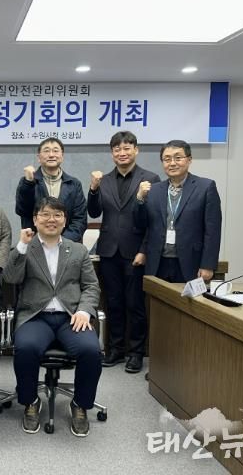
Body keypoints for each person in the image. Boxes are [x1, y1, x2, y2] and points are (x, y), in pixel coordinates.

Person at [3, 197, 102, 437]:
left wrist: (83, 310)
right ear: (35, 219)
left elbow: (91, 286)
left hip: (71, 317)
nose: (51, 220)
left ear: (65, 221)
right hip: (35, 317)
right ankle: (30, 401)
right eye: (45, 215)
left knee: (91, 350)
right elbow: (10, 278)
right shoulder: (25, 248)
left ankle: (80, 404)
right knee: (25, 348)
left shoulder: (77, 249)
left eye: (57, 215)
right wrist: (22, 246)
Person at [87, 131, 161, 373]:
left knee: (135, 304)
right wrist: (93, 189)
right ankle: (116, 349)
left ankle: (136, 352)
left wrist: (144, 250)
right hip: (109, 251)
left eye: (127, 148)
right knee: (113, 303)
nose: (122, 153)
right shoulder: (105, 179)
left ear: (136, 150)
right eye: (117, 149)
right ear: (112, 153)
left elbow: (154, 221)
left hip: (135, 252)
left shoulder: (150, 179)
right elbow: (94, 212)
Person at [133, 140, 222, 283]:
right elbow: (144, 225)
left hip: (190, 262)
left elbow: (213, 230)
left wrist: (208, 265)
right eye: (167, 159)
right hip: (157, 262)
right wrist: (140, 199)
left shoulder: (205, 187)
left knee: (187, 298)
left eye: (178, 158)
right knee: (156, 298)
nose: (172, 163)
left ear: (189, 159)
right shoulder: (154, 190)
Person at [15, 136, 87, 243]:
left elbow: (80, 219)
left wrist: (61, 242)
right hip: (36, 244)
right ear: (39, 157)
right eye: (46, 151)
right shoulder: (27, 182)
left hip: (68, 245)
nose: (51, 155)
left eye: (56, 151)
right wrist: (28, 183)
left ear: (62, 156)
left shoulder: (74, 184)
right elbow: (22, 210)